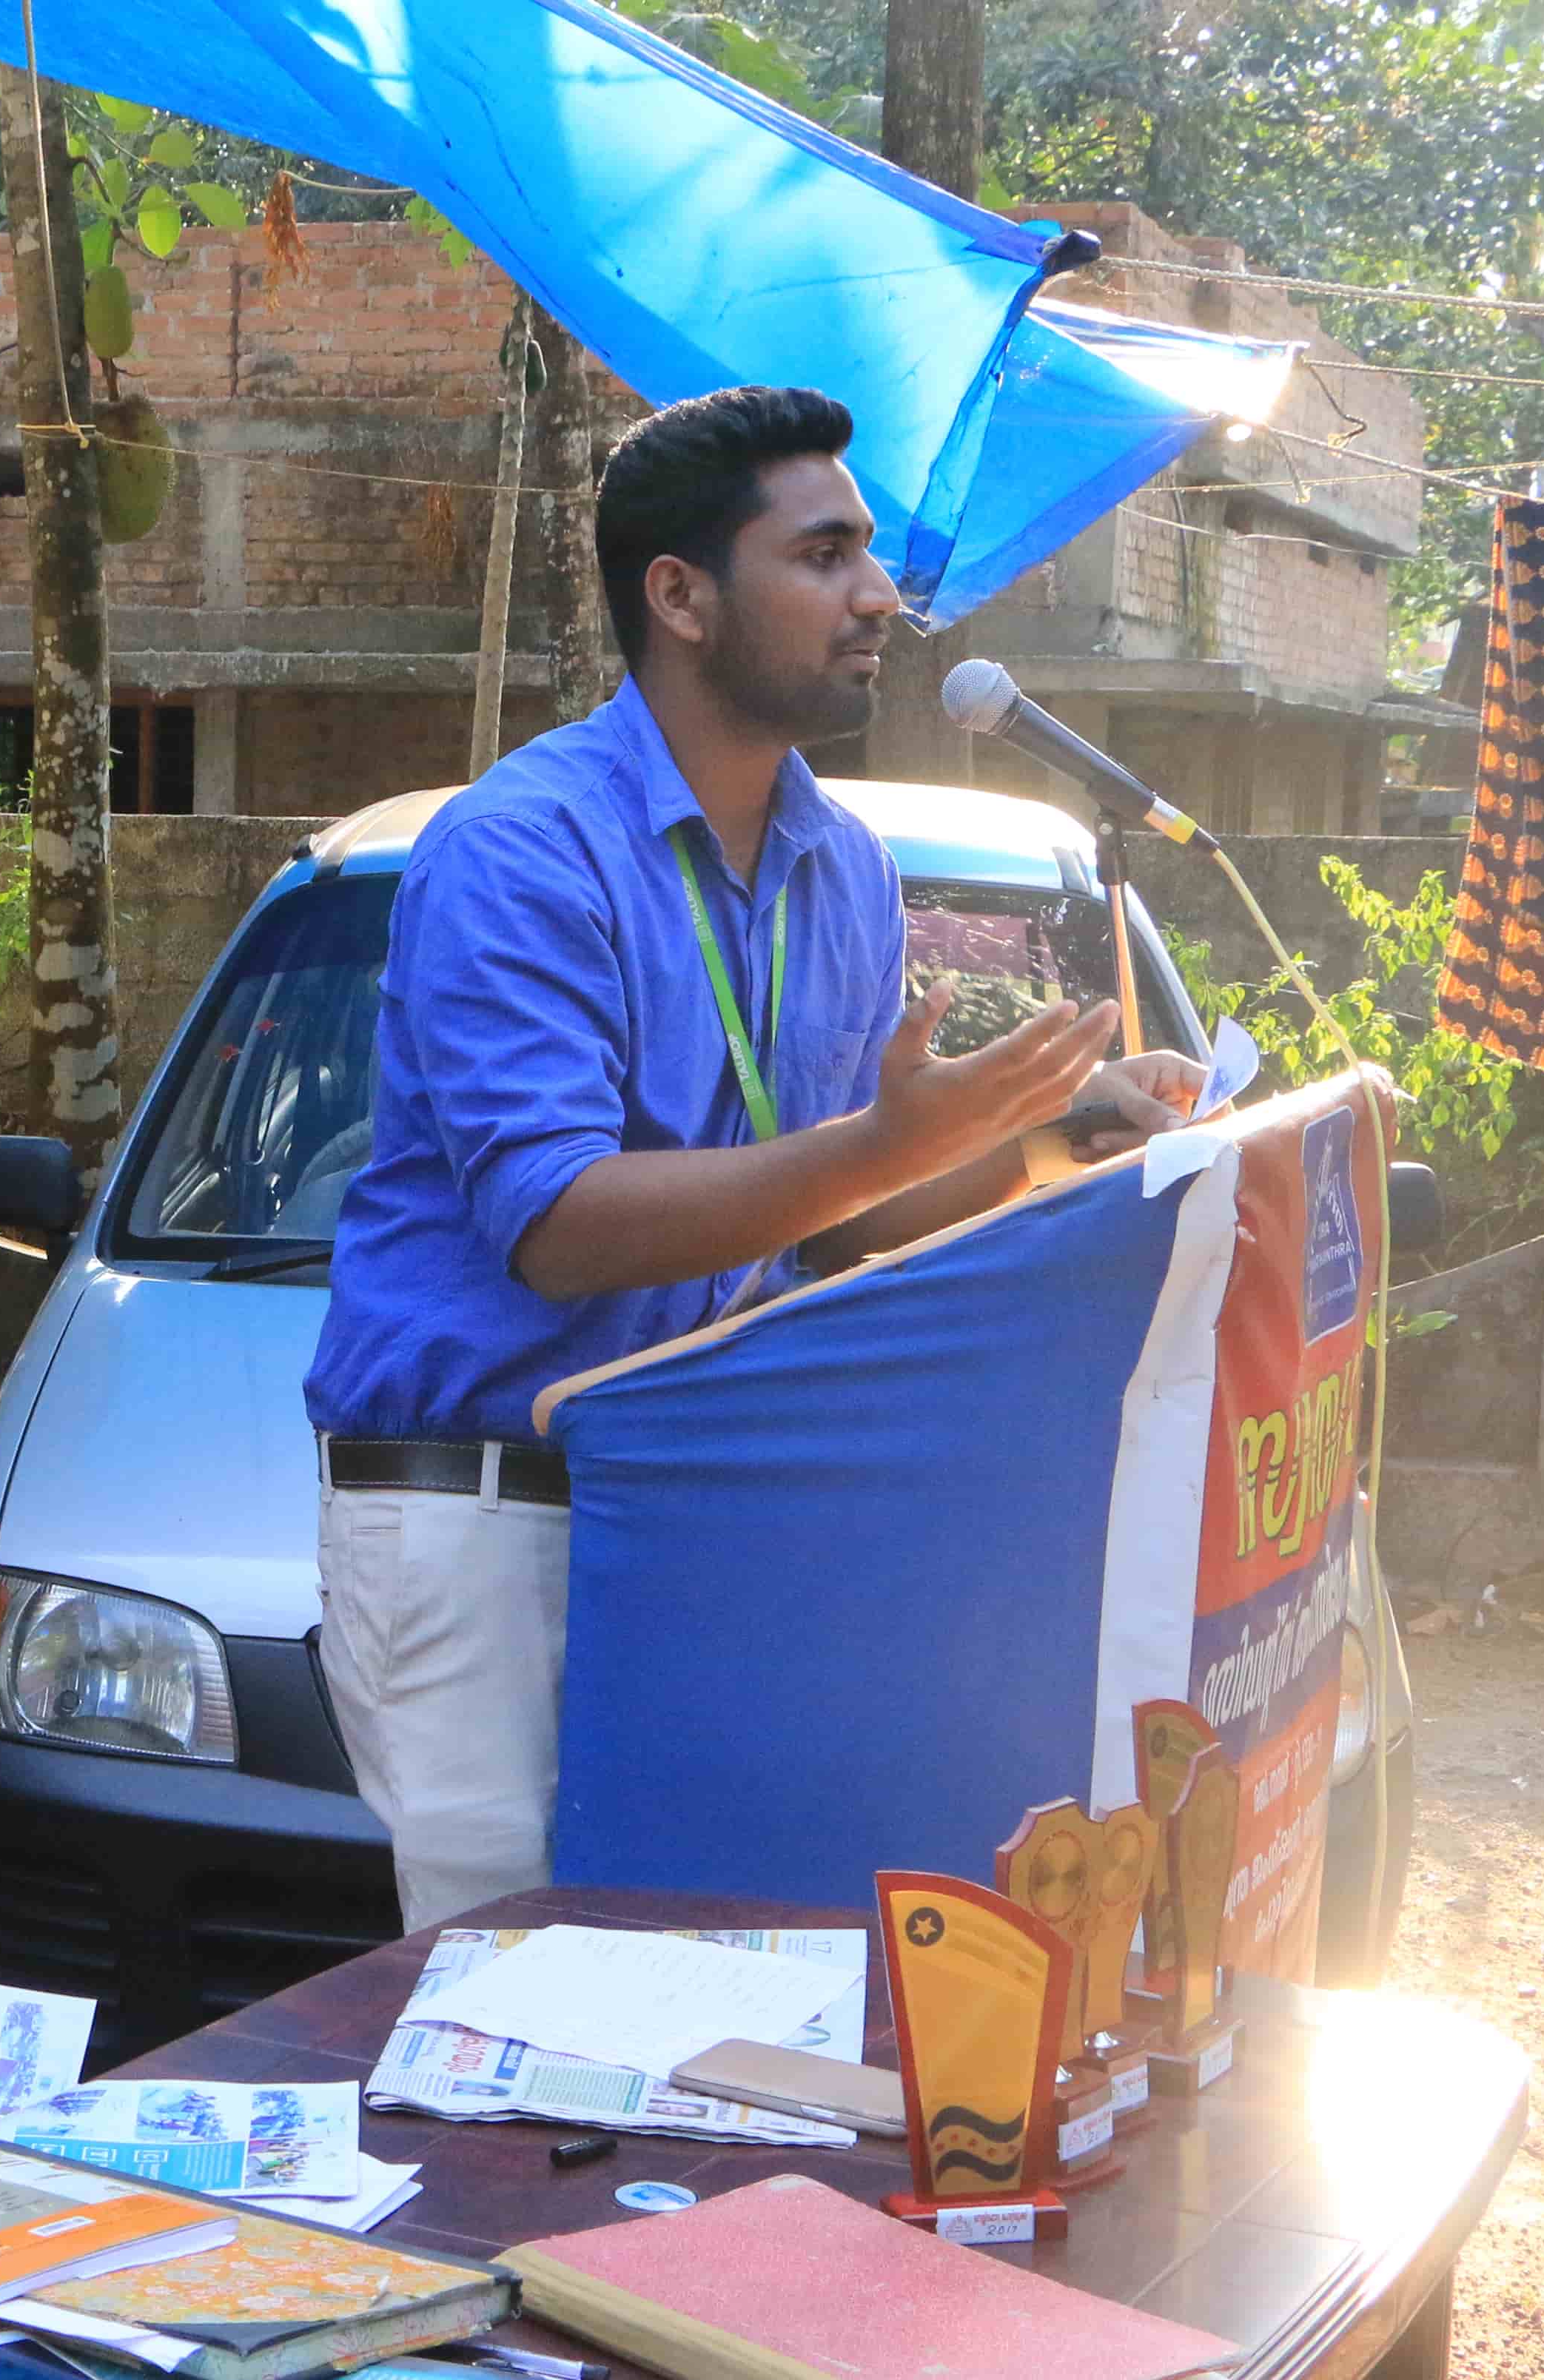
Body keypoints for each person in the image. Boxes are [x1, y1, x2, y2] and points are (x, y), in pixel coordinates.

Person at [302, 386, 1204, 1934]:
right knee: (521, 1986)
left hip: (709, 1499)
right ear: (682, 597)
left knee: (703, 1971)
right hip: (488, 1519)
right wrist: (886, 1141)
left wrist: (1050, 1125)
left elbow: (843, 1218)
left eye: (872, 557)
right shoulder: (521, 848)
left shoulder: (844, 868)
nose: (880, 598)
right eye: (826, 555)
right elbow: (562, 1227)